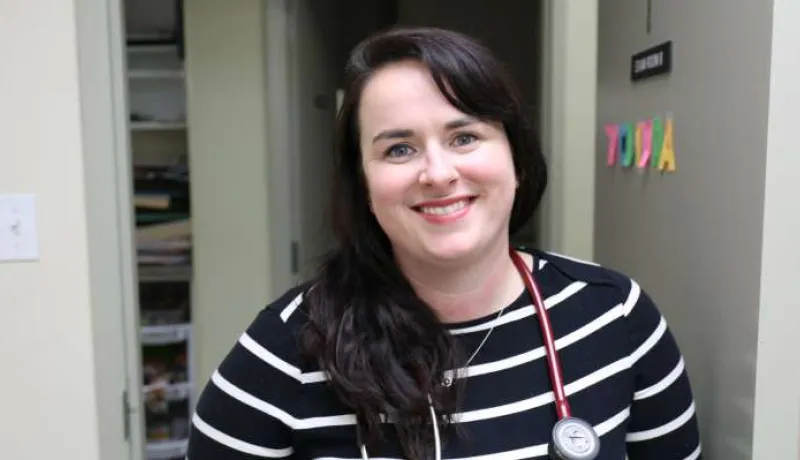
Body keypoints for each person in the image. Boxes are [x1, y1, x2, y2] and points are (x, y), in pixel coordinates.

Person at [186, 27, 701, 460]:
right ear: (363, 185)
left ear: (516, 160)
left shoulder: (616, 316)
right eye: (399, 149)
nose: (437, 173)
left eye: (464, 137)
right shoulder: (286, 349)